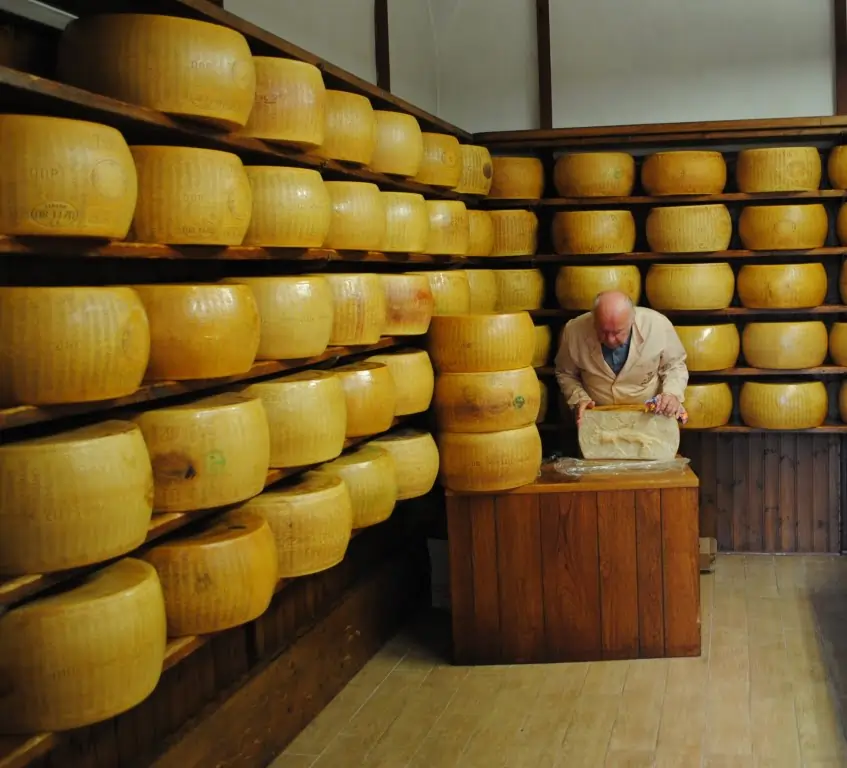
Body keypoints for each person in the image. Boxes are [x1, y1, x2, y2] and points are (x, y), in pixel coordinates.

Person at [554, 290, 688, 426]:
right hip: (598, 417)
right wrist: (579, 398)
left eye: (618, 332)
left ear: (632, 320)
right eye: (603, 331)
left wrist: (672, 394)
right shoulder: (573, 331)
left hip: (648, 416)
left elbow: (675, 365)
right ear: (593, 319)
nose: (611, 340)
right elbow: (565, 373)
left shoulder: (657, 324)